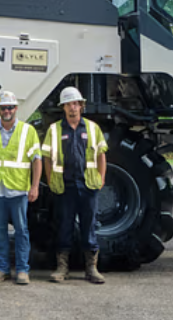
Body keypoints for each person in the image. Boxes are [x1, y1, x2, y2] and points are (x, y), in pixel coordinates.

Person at [41, 86, 108, 284]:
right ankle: (62, 268)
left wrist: (101, 178)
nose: (73, 108)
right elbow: (46, 157)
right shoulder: (54, 130)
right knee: (64, 226)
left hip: (88, 186)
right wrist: (50, 177)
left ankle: (91, 269)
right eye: (69, 104)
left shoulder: (92, 128)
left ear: (81, 106)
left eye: (76, 104)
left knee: (89, 226)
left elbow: (101, 155)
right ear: (63, 107)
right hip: (64, 186)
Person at [0, 91, 42, 285]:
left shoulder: (27, 131)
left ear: (16, 109)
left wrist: (35, 186)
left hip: (19, 189)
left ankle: (22, 270)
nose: (7, 111)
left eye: (10, 107)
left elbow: (36, 160)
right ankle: (2, 269)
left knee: (21, 230)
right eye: (3, 107)